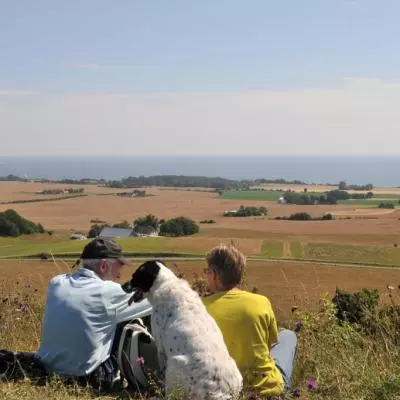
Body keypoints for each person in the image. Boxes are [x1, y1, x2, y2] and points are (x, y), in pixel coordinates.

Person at [36, 238, 152, 388]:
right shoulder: (108, 292)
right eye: (120, 266)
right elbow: (156, 301)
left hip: (48, 370)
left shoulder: (56, 283)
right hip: (90, 377)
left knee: (115, 315)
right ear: (104, 265)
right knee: (132, 320)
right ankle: (147, 377)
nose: (120, 274)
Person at [202, 245, 297, 397]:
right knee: (288, 335)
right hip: (267, 389)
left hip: (221, 391)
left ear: (214, 275)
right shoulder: (261, 302)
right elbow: (269, 345)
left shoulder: (200, 309)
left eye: (206, 271)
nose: (206, 275)